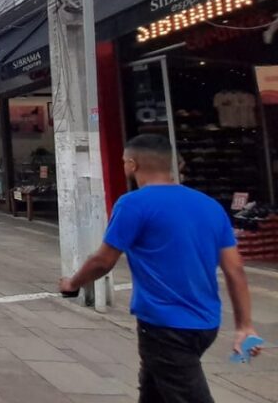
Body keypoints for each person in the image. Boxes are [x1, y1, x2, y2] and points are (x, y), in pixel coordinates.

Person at [59, 134, 261, 401]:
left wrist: (72, 283)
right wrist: (244, 325)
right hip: (206, 322)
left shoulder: (133, 204)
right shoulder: (209, 206)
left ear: (132, 164)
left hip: (165, 326)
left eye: (123, 162)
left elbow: (103, 261)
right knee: (154, 389)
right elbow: (235, 270)